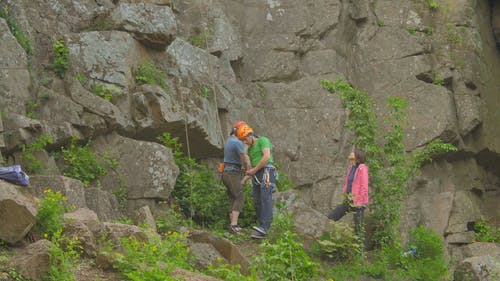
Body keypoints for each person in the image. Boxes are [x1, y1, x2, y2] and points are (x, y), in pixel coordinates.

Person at [237, 124, 276, 239]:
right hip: (257, 174)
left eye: (245, 139)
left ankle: (265, 227)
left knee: (266, 198)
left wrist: (253, 170)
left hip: (267, 171)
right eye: (242, 140)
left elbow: (266, 157)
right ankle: (262, 227)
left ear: (251, 135)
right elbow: (254, 168)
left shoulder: (263, 140)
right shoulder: (251, 150)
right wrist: (245, 178)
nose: (245, 142)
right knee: (257, 201)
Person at [328, 148, 369, 235]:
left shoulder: (362, 168)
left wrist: (359, 202)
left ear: (357, 156)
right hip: (349, 200)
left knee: (359, 228)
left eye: (353, 153)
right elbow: (348, 183)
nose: (350, 153)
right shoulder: (350, 168)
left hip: (358, 203)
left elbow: (364, 187)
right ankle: (327, 237)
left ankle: (359, 248)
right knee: (332, 216)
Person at [222, 120, 248, 234]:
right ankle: (234, 225)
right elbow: (243, 159)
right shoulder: (237, 142)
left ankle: (232, 225)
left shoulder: (229, 141)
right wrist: (246, 170)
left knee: (233, 197)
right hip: (233, 173)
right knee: (240, 196)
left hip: (226, 173)